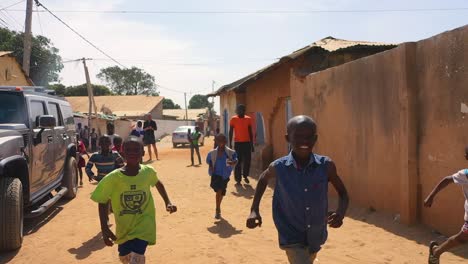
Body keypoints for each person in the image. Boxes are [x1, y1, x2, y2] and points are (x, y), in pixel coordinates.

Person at [246, 115, 349, 264]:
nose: (304, 141)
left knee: (309, 258)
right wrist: (254, 209)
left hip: (316, 234)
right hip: (291, 234)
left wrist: (340, 214)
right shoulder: (279, 167)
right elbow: (263, 178)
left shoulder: (325, 166)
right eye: (298, 137)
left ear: (315, 139)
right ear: (288, 138)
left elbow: (343, 194)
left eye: (308, 137)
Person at [90, 136, 177, 264]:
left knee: (136, 257)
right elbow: (102, 201)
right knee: (125, 257)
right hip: (124, 229)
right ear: (122, 153)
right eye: (128, 150)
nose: (132, 153)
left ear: (142, 152)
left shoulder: (148, 172)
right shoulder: (113, 178)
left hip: (144, 226)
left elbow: (158, 183)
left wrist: (167, 202)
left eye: (136, 150)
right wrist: (104, 227)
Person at [424, 146, 468, 264]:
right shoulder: (465, 174)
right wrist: (431, 197)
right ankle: (436, 252)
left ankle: (436, 251)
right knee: (462, 238)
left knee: (462, 238)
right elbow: (447, 180)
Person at [206, 134, 238, 219]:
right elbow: (208, 161)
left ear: (225, 142)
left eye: (222, 141)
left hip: (225, 175)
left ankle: (218, 207)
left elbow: (236, 160)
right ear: (216, 142)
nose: (221, 143)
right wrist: (211, 166)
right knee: (219, 191)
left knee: (222, 192)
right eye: (219, 141)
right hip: (216, 175)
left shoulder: (230, 152)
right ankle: (217, 209)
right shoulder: (212, 153)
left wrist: (233, 163)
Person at [229, 104, 254, 184]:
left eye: (242, 110)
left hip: (247, 143)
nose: (240, 111)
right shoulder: (233, 119)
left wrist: (252, 144)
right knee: (238, 161)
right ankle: (238, 179)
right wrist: (230, 143)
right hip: (238, 144)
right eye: (239, 110)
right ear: (237, 111)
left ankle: (245, 175)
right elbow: (231, 131)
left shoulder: (248, 119)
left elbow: (250, 132)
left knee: (247, 161)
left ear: (244, 110)